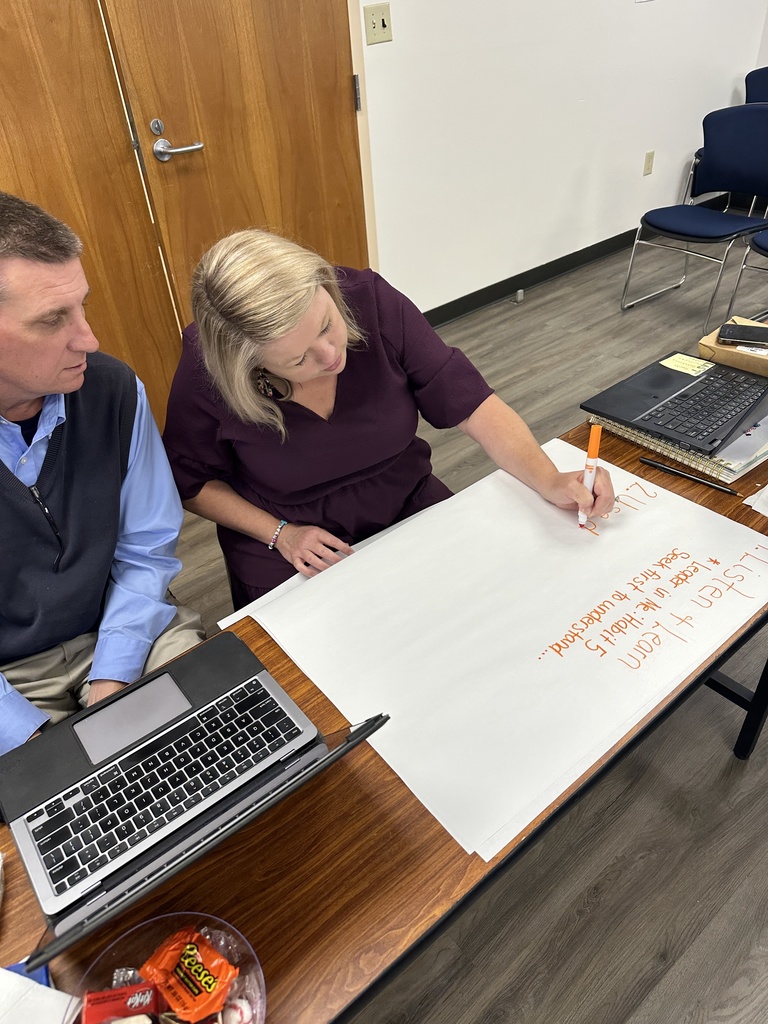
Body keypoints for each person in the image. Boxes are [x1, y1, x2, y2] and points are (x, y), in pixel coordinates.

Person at [163, 228, 615, 609]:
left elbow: (473, 403)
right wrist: (281, 535)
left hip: (406, 502)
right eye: (299, 359)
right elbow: (193, 484)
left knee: (487, 609)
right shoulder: (209, 370)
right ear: (251, 366)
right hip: (294, 546)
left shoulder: (370, 301)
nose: (331, 354)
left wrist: (550, 480)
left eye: (327, 324)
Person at [0, 192, 205, 756]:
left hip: (121, 623)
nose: (89, 339)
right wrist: (36, 741)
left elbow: (145, 547)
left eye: (81, 307)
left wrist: (114, 674)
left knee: (225, 712)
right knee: (56, 810)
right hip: (9, 678)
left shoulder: (112, 389)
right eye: (52, 320)